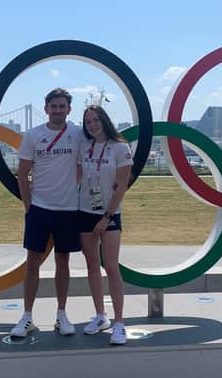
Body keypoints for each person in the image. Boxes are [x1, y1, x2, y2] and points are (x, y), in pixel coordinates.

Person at [10, 88, 83, 338]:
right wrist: (28, 206)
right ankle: (27, 317)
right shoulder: (33, 135)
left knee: (63, 261)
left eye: (63, 106)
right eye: (54, 106)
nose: (58, 110)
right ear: (46, 108)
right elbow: (22, 173)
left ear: (69, 109)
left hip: (68, 209)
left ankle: (61, 315)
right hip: (39, 208)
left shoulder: (77, 133)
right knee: (33, 261)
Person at [78, 105, 132, 345]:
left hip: (109, 215)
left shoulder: (120, 147)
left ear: (105, 121)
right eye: (88, 121)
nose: (92, 125)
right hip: (84, 212)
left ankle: (119, 323)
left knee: (111, 266)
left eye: (96, 120)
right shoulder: (84, 145)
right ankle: (101, 316)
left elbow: (121, 186)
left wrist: (107, 215)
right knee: (91, 265)